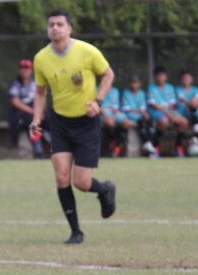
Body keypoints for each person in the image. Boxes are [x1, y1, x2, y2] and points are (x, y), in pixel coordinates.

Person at [30, 9, 117, 245]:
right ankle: (75, 232)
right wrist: (36, 119)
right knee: (61, 176)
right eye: (51, 25)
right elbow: (40, 92)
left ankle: (105, 189)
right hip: (59, 121)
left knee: (81, 182)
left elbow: (108, 74)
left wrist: (98, 102)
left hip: (87, 122)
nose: (55, 28)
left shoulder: (87, 51)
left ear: (70, 29)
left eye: (60, 24)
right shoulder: (41, 58)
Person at [147, 65, 189, 157]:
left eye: (163, 75)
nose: (161, 78)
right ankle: (155, 148)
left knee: (184, 122)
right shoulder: (152, 88)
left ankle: (178, 147)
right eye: (159, 75)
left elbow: (173, 104)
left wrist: (170, 113)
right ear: (155, 77)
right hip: (156, 112)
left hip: (169, 112)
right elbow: (154, 105)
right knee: (163, 122)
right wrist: (167, 113)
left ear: (166, 76)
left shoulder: (170, 87)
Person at [8, 58, 44, 158]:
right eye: (22, 68)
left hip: (35, 112)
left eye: (27, 68)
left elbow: (41, 97)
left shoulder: (35, 83)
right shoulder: (16, 84)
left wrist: (39, 112)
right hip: (21, 114)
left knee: (49, 121)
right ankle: (38, 152)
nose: (25, 71)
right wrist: (33, 111)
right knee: (30, 123)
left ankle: (46, 150)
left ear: (31, 71)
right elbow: (14, 101)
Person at [121, 74, 154, 155]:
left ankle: (148, 143)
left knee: (149, 119)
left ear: (139, 84)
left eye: (136, 83)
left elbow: (143, 108)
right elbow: (127, 109)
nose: (134, 85)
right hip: (129, 116)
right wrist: (140, 112)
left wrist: (143, 113)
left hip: (140, 116)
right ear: (129, 84)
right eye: (132, 83)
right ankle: (147, 143)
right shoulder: (126, 93)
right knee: (141, 120)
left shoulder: (142, 93)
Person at [98, 84, 129, 157]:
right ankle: (111, 147)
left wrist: (113, 117)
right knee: (109, 123)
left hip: (114, 114)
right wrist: (106, 116)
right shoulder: (98, 89)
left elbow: (116, 108)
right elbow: (97, 106)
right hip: (103, 113)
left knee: (126, 123)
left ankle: (118, 147)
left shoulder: (115, 91)